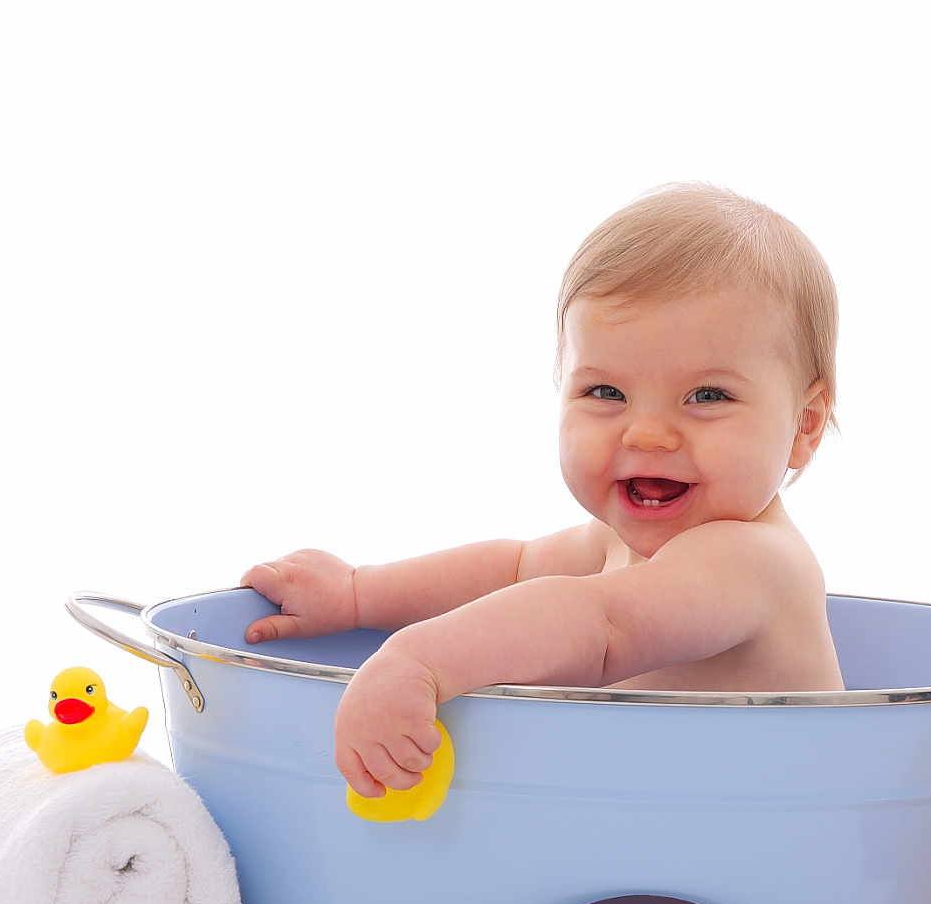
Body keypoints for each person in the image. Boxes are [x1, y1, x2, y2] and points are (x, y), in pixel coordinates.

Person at [242, 183, 843, 799]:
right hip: (670, 829)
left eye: (707, 396)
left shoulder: (751, 560)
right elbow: (515, 568)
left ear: (804, 425)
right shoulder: (614, 544)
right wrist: (359, 592)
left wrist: (420, 659)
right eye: (605, 393)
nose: (649, 433)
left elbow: (600, 625)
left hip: (778, 841)